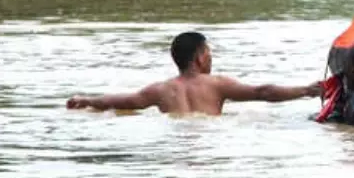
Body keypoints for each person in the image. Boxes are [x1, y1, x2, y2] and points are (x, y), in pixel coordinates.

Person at [65, 32, 319, 116]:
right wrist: (306, 90)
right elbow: (262, 92)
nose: (211, 56)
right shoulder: (216, 84)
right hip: (208, 138)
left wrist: (87, 100)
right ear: (199, 58)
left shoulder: (161, 90)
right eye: (208, 52)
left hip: (177, 141)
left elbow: (123, 101)